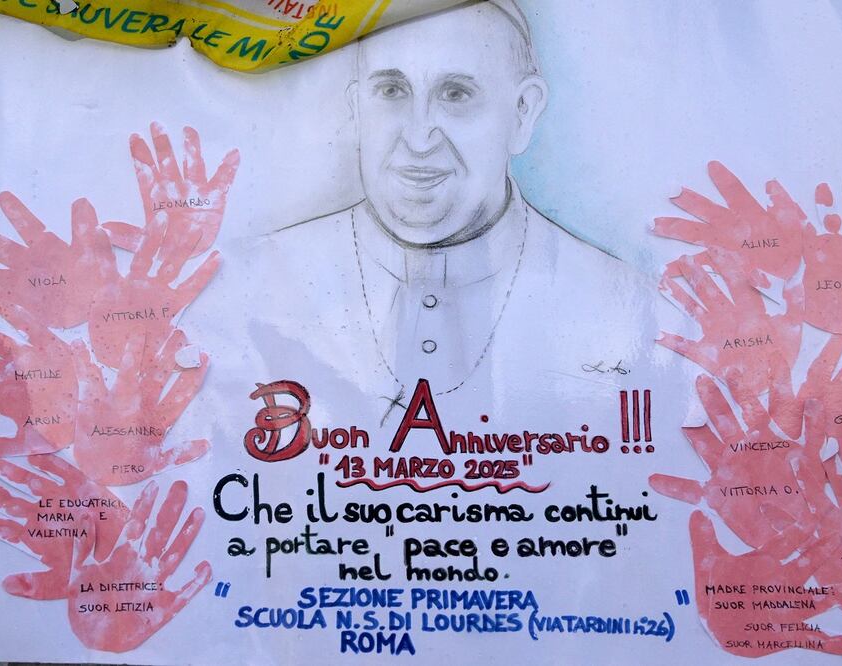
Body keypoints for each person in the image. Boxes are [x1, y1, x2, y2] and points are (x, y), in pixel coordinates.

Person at [242, 0, 661, 415]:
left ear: (523, 112)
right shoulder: (253, 282)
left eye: (456, 94)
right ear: (356, 109)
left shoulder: (634, 310)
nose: (420, 138)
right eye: (391, 91)